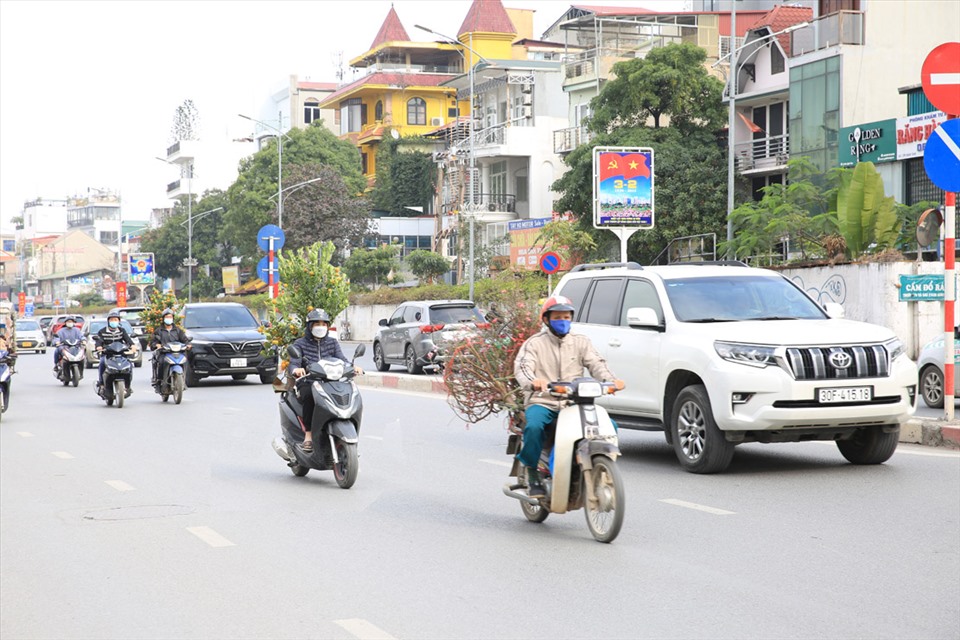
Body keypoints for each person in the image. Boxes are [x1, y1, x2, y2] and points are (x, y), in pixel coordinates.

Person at [513, 295, 624, 498]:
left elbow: (597, 364)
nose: (562, 320)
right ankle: (532, 472)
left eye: (566, 316)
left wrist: (611, 381)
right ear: (546, 319)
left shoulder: (581, 342)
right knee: (534, 427)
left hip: (575, 403)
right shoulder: (535, 343)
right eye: (557, 317)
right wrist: (533, 382)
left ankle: (597, 466)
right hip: (543, 401)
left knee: (611, 426)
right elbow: (523, 367)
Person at [288, 308, 363, 453]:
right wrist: (296, 370)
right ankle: (308, 435)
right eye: (317, 324)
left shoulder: (332, 343)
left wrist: (353, 367)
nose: (320, 327)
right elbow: (294, 362)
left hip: (331, 381)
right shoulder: (300, 343)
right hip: (309, 381)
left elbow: (343, 360)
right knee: (310, 397)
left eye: (324, 323)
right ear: (310, 326)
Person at [93, 310, 137, 396]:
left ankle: (128, 386)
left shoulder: (122, 330)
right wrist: (99, 347)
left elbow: (128, 340)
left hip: (120, 354)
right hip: (107, 354)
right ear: (108, 321)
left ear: (119, 321)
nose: (114, 321)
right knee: (102, 363)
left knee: (129, 365)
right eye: (112, 320)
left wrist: (133, 346)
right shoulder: (102, 331)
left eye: (115, 320)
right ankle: (102, 384)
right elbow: (99, 341)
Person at [149, 308, 191, 388]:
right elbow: (152, 342)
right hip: (164, 353)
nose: (169, 319)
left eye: (170, 317)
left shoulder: (178, 330)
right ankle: (160, 381)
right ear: (163, 318)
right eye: (167, 317)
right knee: (161, 362)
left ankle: (183, 380)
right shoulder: (158, 331)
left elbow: (185, 340)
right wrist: (156, 345)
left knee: (185, 361)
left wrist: (188, 345)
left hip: (178, 353)